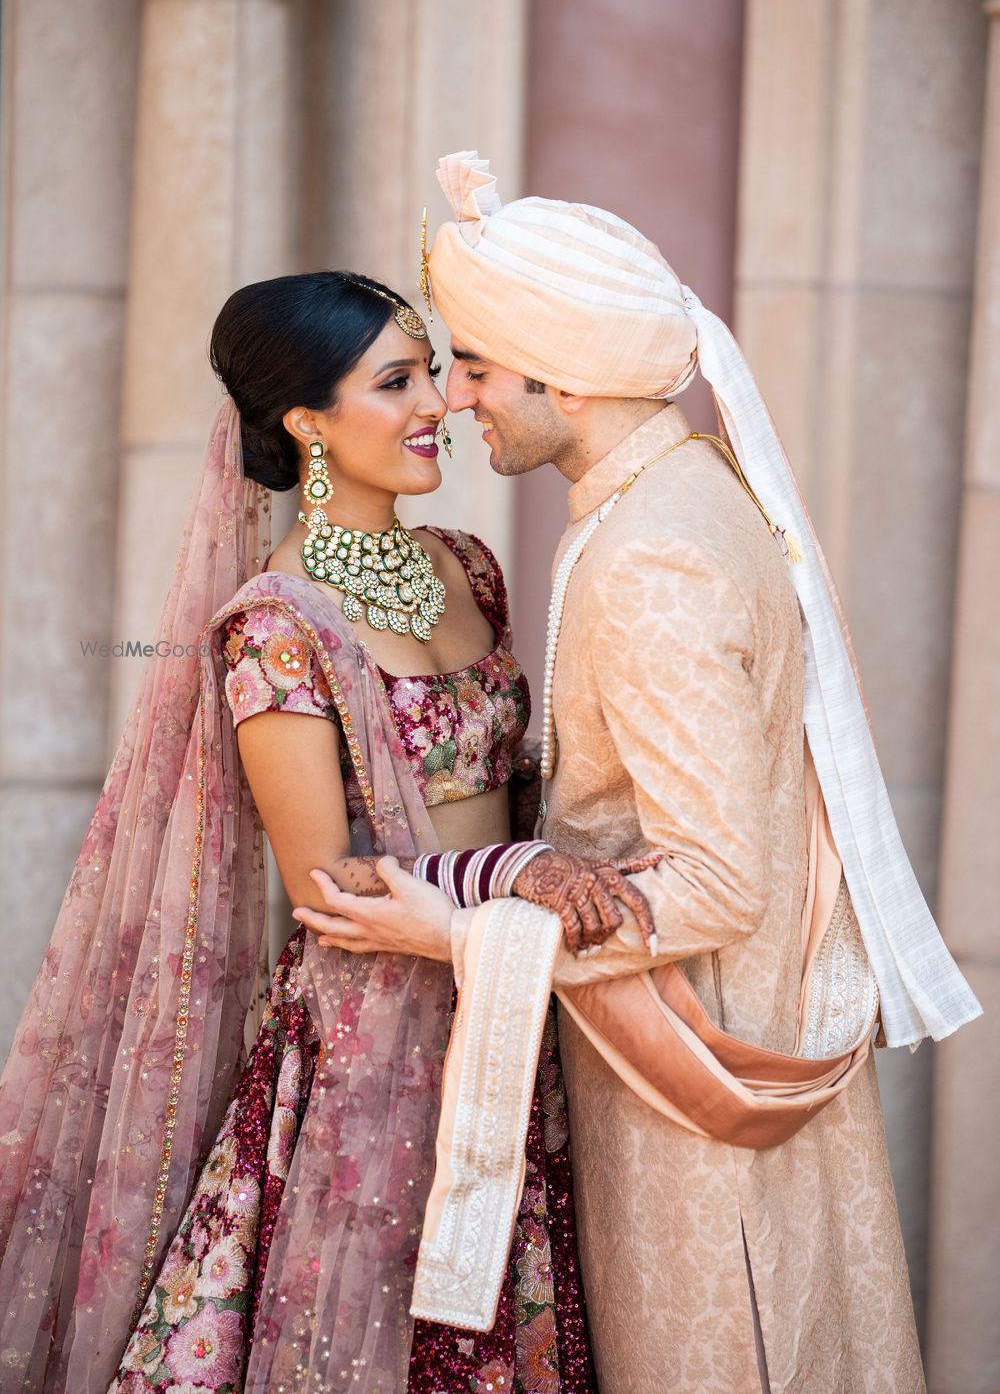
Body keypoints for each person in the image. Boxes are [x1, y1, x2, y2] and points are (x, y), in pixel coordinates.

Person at [295, 155, 982, 1394]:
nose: (456, 399)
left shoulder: (650, 558)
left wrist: (455, 928)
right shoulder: (677, 492)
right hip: (719, 1062)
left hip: (700, 1114)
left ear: (565, 377)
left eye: (479, 369)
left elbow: (719, 885)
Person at [0, 271, 608, 1393]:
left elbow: (515, 777)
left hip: (514, 1003)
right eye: (397, 381)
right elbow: (332, 884)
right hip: (379, 1046)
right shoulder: (277, 626)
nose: (439, 402)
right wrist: (521, 868)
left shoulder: (463, 565)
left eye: (432, 371)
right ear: (305, 421)